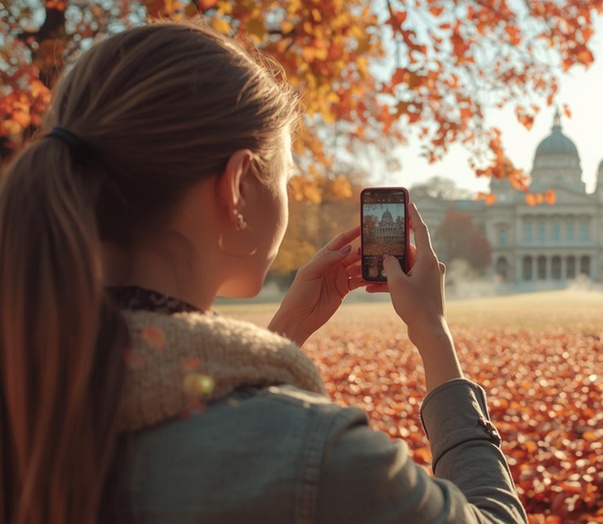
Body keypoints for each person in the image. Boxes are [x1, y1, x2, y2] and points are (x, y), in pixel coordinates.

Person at [0, 21, 526, 524]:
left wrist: (285, 335)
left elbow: (188, 397)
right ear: (237, 189)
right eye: (286, 176)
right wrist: (434, 335)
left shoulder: (37, 386)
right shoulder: (317, 456)